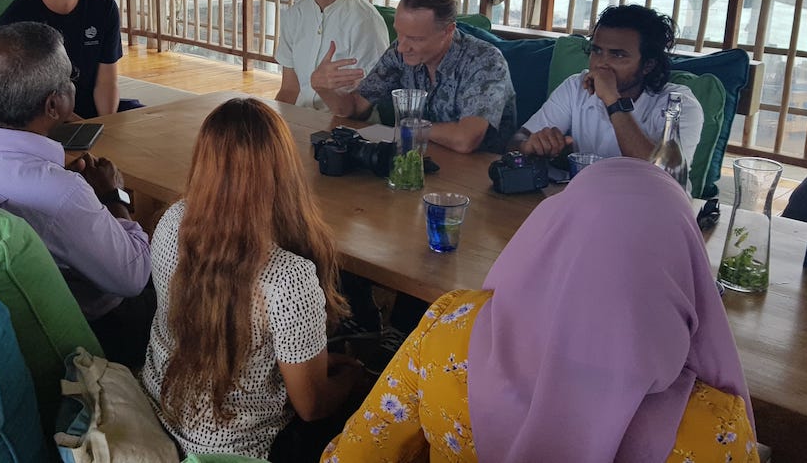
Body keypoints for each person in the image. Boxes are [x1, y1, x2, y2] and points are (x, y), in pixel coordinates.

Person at [323, 157, 759, 462]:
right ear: (686, 272)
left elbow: (358, 453)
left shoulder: (449, 332)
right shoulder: (713, 430)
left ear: (547, 235)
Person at [142, 98, 365, 461]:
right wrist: (355, 378)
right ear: (285, 171)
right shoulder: (287, 278)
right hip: (241, 452)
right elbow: (312, 407)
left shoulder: (171, 222)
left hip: (158, 412)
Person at [0, 22, 153, 368]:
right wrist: (112, 196)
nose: (72, 83)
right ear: (53, 105)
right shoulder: (59, 191)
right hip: (95, 330)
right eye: (69, 77)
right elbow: (133, 278)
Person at [312, 0, 516, 153]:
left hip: (479, 172)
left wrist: (408, 128)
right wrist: (322, 88)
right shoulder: (400, 51)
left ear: (448, 31)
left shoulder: (485, 61)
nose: (401, 47)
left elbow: (466, 139)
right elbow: (357, 108)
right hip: (419, 159)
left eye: (415, 39)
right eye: (399, 33)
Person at [509, 4, 704, 162]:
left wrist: (613, 100)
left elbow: (660, 175)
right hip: (582, 195)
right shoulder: (576, 87)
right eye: (597, 51)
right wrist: (529, 145)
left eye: (618, 55)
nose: (601, 63)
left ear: (648, 65)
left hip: (648, 199)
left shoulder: (678, 104)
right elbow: (517, 140)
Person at [0, 0, 122, 119]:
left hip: (93, 111)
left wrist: (106, 124)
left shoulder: (103, 7)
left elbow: (107, 81)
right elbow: (25, 96)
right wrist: (82, 127)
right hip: (40, 118)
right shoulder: (17, 19)